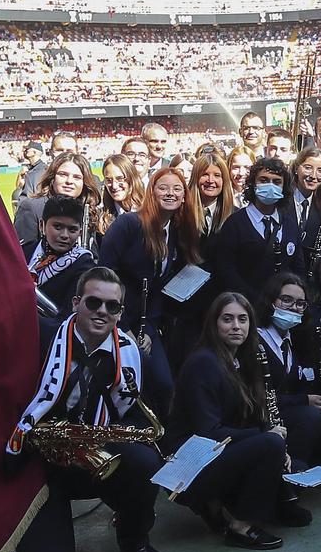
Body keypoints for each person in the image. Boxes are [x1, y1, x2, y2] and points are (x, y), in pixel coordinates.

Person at [4, 268, 167, 552]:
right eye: (93, 303)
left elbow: (138, 417)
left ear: (120, 313)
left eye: (112, 306)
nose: (102, 312)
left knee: (145, 462)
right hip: (41, 462)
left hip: (96, 455)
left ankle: (135, 538)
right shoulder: (38, 338)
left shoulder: (133, 357)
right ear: (76, 302)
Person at [166, 292, 307, 548]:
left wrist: (270, 434)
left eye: (243, 320)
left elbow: (250, 414)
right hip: (189, 465)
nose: (236, 327)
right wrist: (266, 438)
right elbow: (208, 432)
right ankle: (240, 526)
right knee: (270, 446)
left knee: (292, 462)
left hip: (218, 451)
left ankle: (223, 504)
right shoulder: (204, 363)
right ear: (214, 324)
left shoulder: (241, 358)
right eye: (227, 319)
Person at [96, 163, 199, 401]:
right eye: (163, 188)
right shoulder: (129, 224)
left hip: (145, 328)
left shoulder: (175, 232)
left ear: (184, 196)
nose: (170, 193)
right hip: (116, 323)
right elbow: (105, 274)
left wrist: (150, 330)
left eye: (177, 189)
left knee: (164, 385)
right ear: (151, 192)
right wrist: (122, 327)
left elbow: (156, 289)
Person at [257, 271, 321, 472]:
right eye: (286, 300)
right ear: (271, 301)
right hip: (258, 416)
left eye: (300, 303)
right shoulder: (256, 341)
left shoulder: (291, 339)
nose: (294, 308)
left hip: (281, 411)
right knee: (309, 416)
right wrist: (305, 400)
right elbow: (259, 396)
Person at [211, 156, 303, 303]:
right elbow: (226, 271)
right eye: (264, 180)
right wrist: (255, 299)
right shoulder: (235, 224)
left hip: (281, 307)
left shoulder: (290, 224)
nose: (270, 186)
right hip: (245, 305)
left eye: (277, 181)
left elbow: (298, 269)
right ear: (253, 183)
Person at [25, 196, 98, 319]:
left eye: (72, 229)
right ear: (42, 226)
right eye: (57, 227)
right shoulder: (25, 252)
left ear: (80, 232)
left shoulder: (84, 266)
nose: (64, 235)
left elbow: (69, 317)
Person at [16, 152, 101, 248]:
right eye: (63, 175)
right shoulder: (32, 207)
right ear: (52, 178)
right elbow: (22, 252)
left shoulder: (88, 210)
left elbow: (94, 253)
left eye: (77, 177)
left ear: (84, 183)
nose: (69, 181)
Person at [95, 154, 142, 234]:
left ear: (132, 178)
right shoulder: (101, 219)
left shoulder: (148, 210)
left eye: (120, 179)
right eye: (109, 180)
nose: (114, 186)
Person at [190, 153, 235, 239]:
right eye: (205, 174)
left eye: (217, 175)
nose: (210, 180)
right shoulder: (182, 213)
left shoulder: (235, 216)